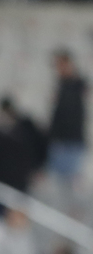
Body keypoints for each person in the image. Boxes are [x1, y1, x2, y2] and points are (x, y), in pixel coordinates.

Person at [48, 50, 87, 184]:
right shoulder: (61, 85)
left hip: (72, 142)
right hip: (59, 142)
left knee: (71, 185)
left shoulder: (77, 85)